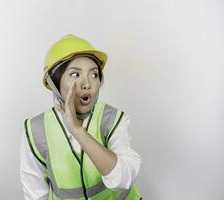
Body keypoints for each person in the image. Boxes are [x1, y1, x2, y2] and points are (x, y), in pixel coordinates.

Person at [20, 34, 143, 200]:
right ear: (54, 83)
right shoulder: (36, 130)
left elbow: (123, 179)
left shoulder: (113, 119)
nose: (87, 83)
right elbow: (35, 194)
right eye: (75, 75)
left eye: (94, 75)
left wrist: (77, 130)